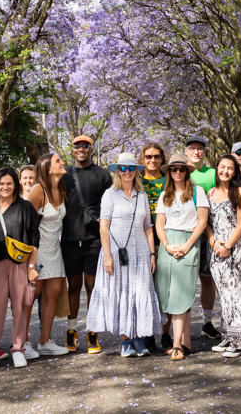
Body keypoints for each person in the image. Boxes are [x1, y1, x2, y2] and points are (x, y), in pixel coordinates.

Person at [87, 153, 161, 357]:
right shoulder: (110, 194)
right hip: (116, 253)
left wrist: (152, 253)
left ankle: (138, 337)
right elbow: (104, 227)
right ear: (117, 171)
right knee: (121, 293)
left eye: (131, 168)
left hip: (141, 253)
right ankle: (125, 340)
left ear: (136, 171)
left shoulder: (142, 195)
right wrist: (108, 255)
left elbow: (148, 226)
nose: (127, 172)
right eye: (123, 168)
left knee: (140, 293)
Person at [0, 167, 42, 369]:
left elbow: (35, 238)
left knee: (20, 307)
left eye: (9, 183)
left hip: (20, 264)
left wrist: (32, 266)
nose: (5, 187)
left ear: (15, 184)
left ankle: (18, 348)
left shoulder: (25, 207)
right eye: (1, 184)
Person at [61, 135, 112, 354]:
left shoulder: (103, 175)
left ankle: (93, 331)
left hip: (94, 240)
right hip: (70, 240)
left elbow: (111, 205)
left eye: (86, 146)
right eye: (77, 146)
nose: (81, 149)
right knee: (73, 287)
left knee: (92, 287)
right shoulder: (63, 176)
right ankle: (71, 332)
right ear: (72, 150)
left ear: (92, 149)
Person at [154, 154, 208, 360]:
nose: (177, 172)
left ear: (187, 171)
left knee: (180, 293)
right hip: (167, 244)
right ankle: (186, 341)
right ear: (169, 172)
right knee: (168, 294)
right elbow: (159, 224)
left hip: (189, 242)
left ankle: (176, 345)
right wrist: (166, 245)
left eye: (181, 169)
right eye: (174, 169)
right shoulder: (164, 194)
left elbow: (201, 223)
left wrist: (187, 245)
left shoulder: (197, 192)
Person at [206, 155, 241, 357]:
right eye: (222, 167)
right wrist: (214, 242)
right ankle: (228, 336)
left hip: (235, 250)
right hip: (216, 251)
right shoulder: (211, 192)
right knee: (225, 296)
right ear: (217, 168)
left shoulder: (240, 192)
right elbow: (207, 223)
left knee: (239, 295)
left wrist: (227, 245)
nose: (225, 171)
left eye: (230, 168)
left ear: (235, 172)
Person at [26, 153, 70, 357]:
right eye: (58, 161)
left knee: (53, 293)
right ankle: (22, 342)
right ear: (48, 168)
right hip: (37, 251)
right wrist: (30, 262)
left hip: (55, 250)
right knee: (31, 296)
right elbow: (26, 224)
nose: (63, 163)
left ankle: (44, 342)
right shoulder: (38, 191)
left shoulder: (61, 188)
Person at [185, 135, 219, 339]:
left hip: (208, 236)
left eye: (200, 149)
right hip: (185, 235)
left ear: (205, 152)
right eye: (192, 148)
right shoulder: (179, 172)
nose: (196, 152)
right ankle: (184, 325)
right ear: (186, 151)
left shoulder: (213, 174)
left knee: (207, 281)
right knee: (186, 282)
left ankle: (207, 323)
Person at [138, 141, 168, 349]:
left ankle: (166, 333)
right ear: (142, 159)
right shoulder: (137, 181)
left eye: (156, 156)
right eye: (148, 157)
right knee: (145, 291)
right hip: (142, 241)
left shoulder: (169, 180)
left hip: (166, 240)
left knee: (165, 290)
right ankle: (147, 333)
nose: (152, 160)